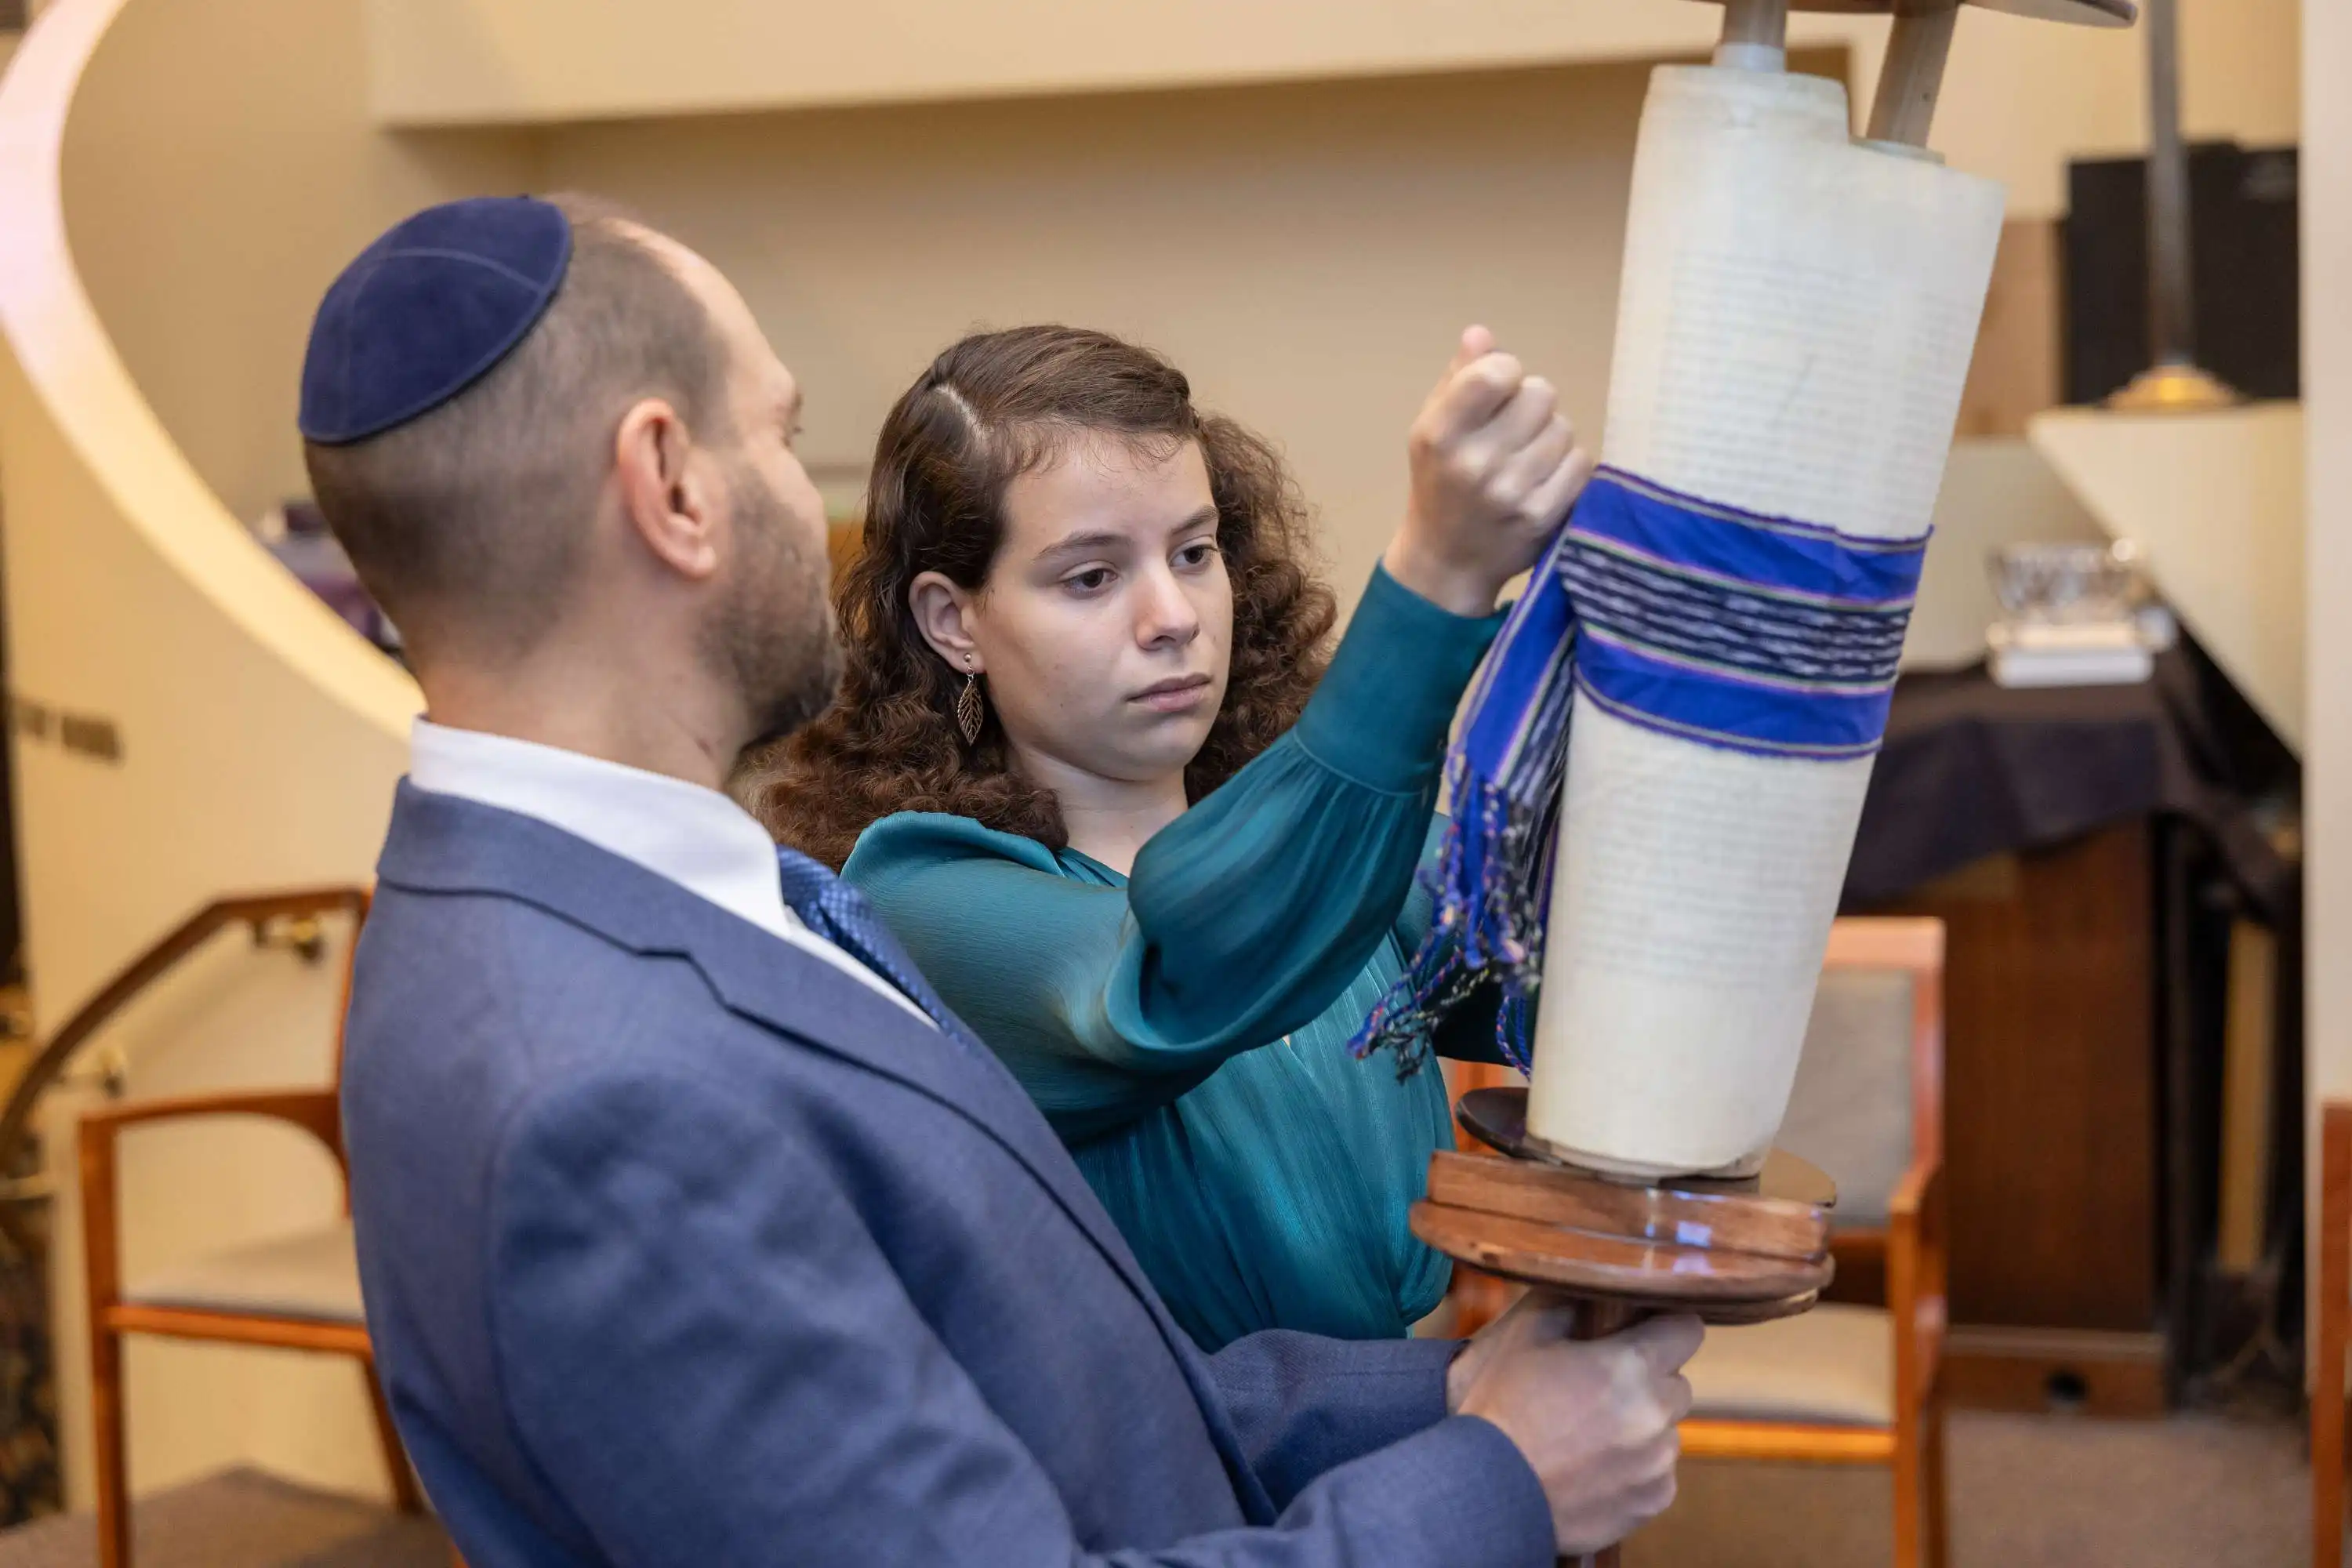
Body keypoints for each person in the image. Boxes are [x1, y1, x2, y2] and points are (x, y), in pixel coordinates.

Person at [310, 193, 1697, 1566]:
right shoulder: (593, 1089)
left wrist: (1455, 1401)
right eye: (786, 437)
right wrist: (1493, 1484)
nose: (818, 497)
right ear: (672, 485)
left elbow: (1085, 1392)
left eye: (1194, 555)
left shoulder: (665, 923)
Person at [744, 324, 1584, 1348]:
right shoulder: (922, 897)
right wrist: (1435, 574)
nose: (1173, 614)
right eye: (1091, 577)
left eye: (1194, 553)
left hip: (1429, 1434)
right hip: (1182, 1490)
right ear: (953, 621)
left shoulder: (1331, 859)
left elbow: (1573, 986)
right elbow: (1182, 981)